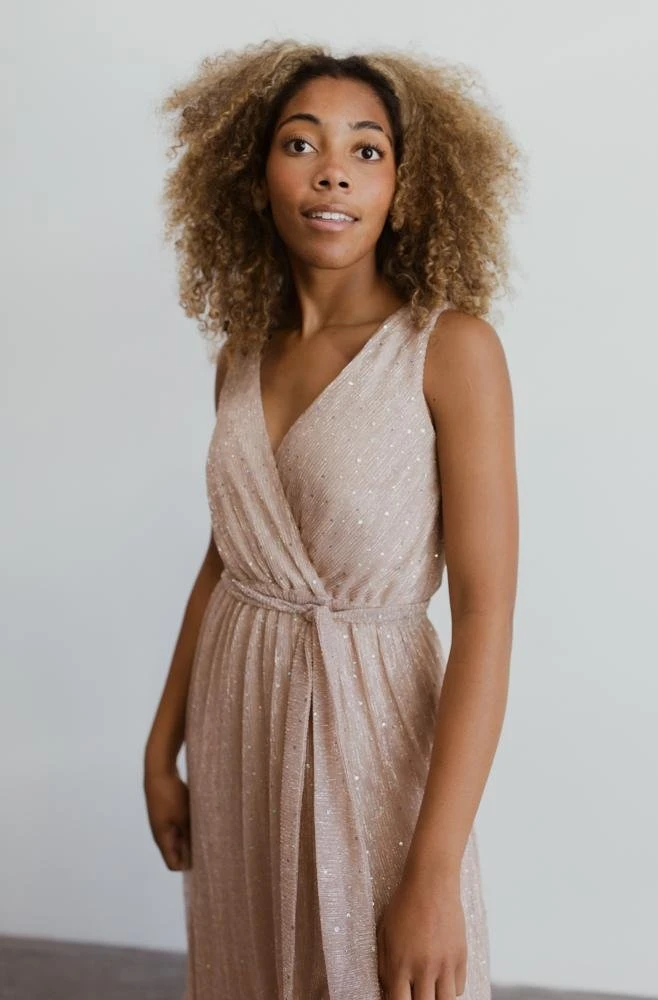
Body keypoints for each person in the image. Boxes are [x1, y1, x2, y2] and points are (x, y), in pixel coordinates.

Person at [143, 38, 523, 1000]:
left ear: (404, 185)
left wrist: (433, 873)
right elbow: (231, 558)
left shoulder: (450, 351)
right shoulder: (241, 354)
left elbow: (485, 617)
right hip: (238, 716)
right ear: (254, 175)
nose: (332, 173)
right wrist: (161, 744)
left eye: (366, 150)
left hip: (373, 732)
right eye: (300, 143)